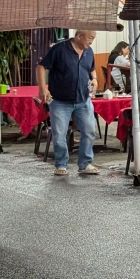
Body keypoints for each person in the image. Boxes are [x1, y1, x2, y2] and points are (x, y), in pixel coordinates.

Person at [37, 30, 99, 176]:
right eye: (90, 38)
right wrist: (42, 88)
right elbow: (41, 67)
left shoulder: (89, 51)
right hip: (60, 100)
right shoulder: (59, 49)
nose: (91, 41)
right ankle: (61, 164)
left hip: (83, 99)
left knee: (89, 131)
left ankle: (85, 164)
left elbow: (91, 69)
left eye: (93, 38)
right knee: (59, 134)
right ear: (79, 36)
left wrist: (95, 79)